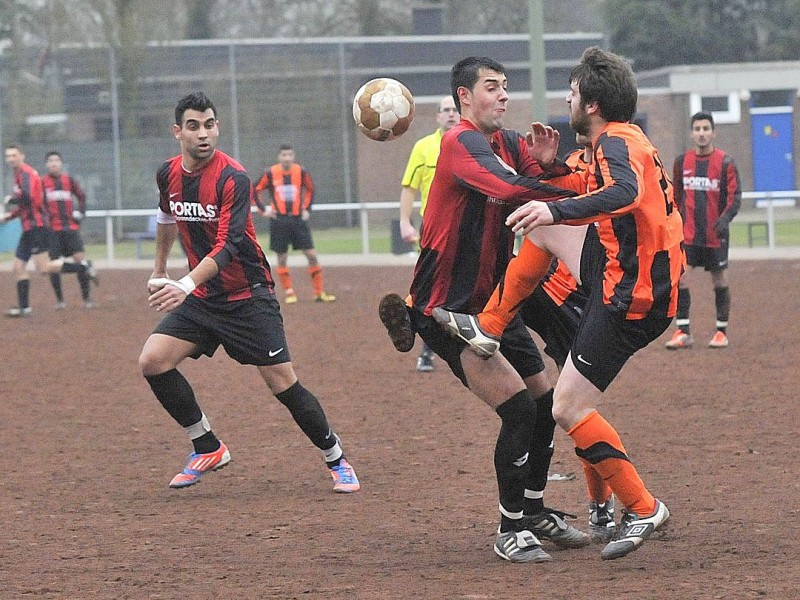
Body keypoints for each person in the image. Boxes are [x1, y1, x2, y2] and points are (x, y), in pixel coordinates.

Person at [433, 47, 683, 560]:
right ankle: (489, 326)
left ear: (590, 104)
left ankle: (643, 507)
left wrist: (551, 205)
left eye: (570, 93)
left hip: (630, 294)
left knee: (568, 405)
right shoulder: (619, 139)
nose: (564, 101)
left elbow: (623, 193)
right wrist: (550, 178)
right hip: (625, 276)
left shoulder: (615, 141)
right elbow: (589, 186)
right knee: (546, 233)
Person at [379, 56, 589, 564]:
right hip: (448, 308)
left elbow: (541, 180)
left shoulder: (511, 143)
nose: (503, 96)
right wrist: (571, 194)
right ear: (463, 98)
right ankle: (509, 528)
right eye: (492, 87)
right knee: (517, 408)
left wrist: (550, 165)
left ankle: (534, 511)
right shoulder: (461, 143)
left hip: (496, 305)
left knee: (544, 405)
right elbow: (513, 189)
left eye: (505, 87)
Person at [138, 92, 359, 493]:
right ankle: (207, 446)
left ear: (217, 127)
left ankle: (336, 458)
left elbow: (228, 245)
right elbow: (166, 216)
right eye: (193, 126)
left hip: (247, 297)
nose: (203, 133)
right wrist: (159, 269)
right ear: (177, 132)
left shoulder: (232, 177)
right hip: (204, 299)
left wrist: (184, 284)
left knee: (283, 384)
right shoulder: (166, 173)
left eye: (209, 124)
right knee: (153, 361)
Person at [665, 111, 741, 350]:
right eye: (697, 129)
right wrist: (675, 219)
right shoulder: (681, 162)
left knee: (719, 280)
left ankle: (721, 331)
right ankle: (683, 331)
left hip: (715, 235)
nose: (701, 133)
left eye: (705, 129)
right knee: (681, 278)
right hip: (688, 235)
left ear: (713, 132)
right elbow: (675, 195)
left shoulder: (725, 162)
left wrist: (724, 219)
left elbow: (735, 196)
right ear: (691, 133)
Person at [398, 95, 460, 372]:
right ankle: (425, 347)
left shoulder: (475, 143)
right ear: (437, 116)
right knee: (433, 286)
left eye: (455, 110)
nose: (451, 114)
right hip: (434, 229)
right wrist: (404, 221)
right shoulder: (423, 147)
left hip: (468, 227)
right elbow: (409, 187)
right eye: (445, 110)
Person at [2, 145, 93, 317]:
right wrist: (8, 217)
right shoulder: (20, 175)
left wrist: (11, 199)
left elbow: (28, 197)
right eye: (8, 156)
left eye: (14, 155)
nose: (11, 159)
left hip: (37, 227)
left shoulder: (26, 173)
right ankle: (24, 308)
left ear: (22, 155)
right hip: (29, 226)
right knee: (18, 266)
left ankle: (82, 267)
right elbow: (26, 204)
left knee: (43, 267)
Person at [254, 144, 335, 304]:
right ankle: (290, 292)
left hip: (298, 220)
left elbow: (311, 189)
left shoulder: (301, 171)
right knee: (282, 256)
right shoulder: (270, 173)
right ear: (279, 157)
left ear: (293, 156)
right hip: (279, 220)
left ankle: (319, 292)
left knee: (311, 254)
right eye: (284, 155)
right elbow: (255, 189)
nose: (287, 158)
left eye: (289, 155)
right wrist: (264, 210)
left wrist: (307, 209)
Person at [41, 151, 98, 309]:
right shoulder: (42, 182)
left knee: (79, 258)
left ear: (61, 163)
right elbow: (38, 204)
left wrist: (81, 213)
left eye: (57, 160)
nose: (54, 163)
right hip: (52, 230)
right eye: (50, 161)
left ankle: (87, 299)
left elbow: (81, 196)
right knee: (54, 265)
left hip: (70, 228)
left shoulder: (69, 180)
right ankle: (60, 301)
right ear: (47, 164)